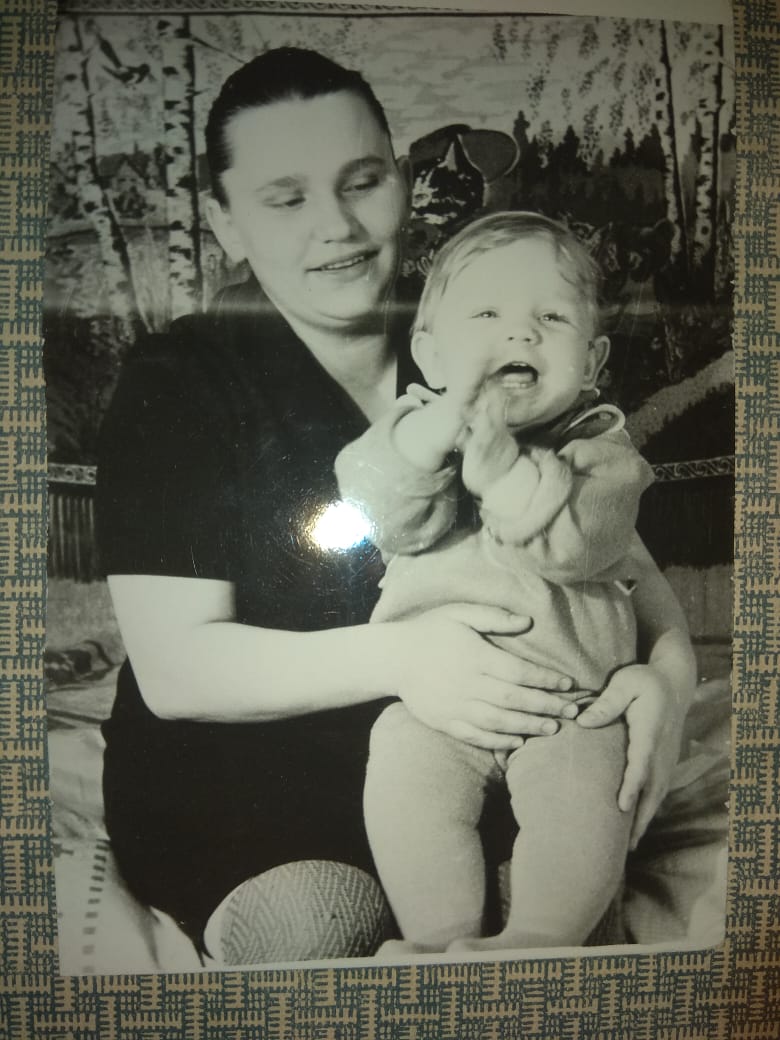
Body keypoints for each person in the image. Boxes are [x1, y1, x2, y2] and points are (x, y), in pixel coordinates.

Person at [96, 48, 693, 967]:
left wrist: (667, 682)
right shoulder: (181, 380)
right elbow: (177, 673)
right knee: (328, 923)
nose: (335, 226)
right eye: (286, 198)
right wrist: (406, 656)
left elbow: (620, 551)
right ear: (225, 220)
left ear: (404, 183)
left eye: (362, 181)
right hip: (251, 769)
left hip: (487, 742)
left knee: (553, 911)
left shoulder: (477, 326)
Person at [336, 211, 697, 954]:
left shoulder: (603, 455)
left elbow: (576, 545)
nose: (521, 334)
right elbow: (377, 508)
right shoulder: (412, 438)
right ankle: (438, 940)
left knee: (588, 802)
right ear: (430, 354)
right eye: (487, 315)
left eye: (552, 318)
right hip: (436, 708)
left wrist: (504, 474)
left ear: (591, 359)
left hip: (572, 705)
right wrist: (437, 434)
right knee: (401, 769)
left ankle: (539, 938)